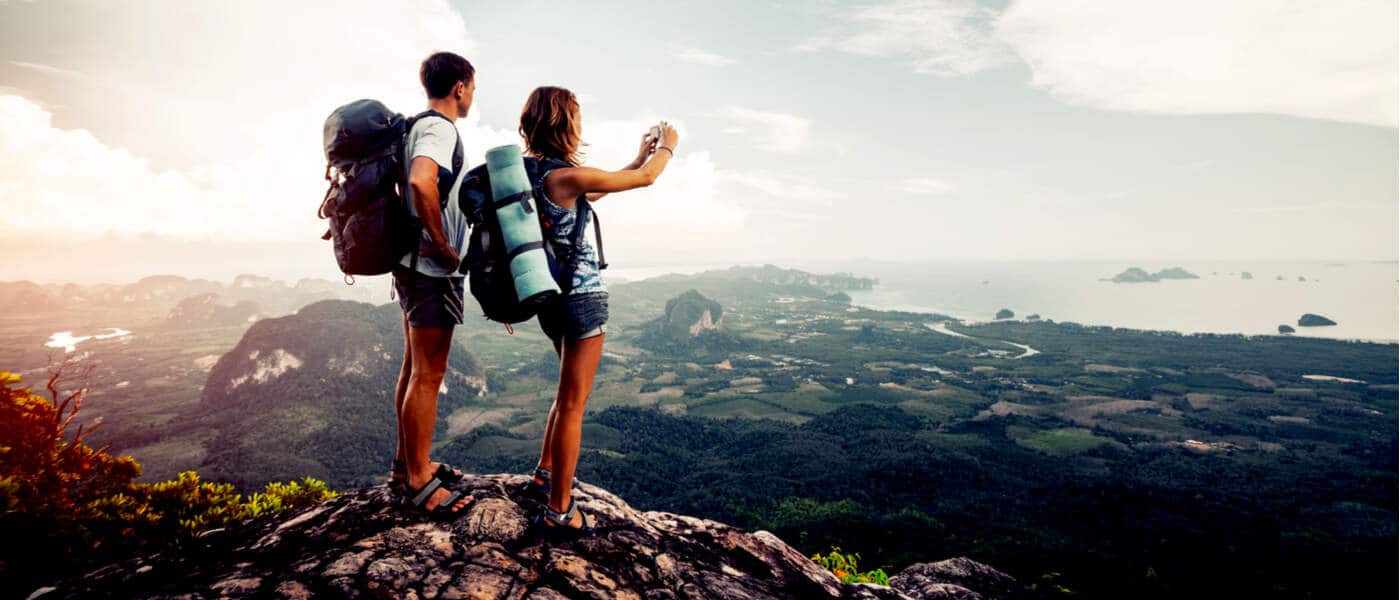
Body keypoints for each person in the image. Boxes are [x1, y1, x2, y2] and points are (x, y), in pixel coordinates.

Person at [515, 86, 680, 535]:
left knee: (565, 394)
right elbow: (647, 180)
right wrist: (666, 146)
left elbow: (596, 194)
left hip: (548, 297)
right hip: (582, 297)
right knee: (574, 403)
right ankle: (559, 510)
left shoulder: (531, 175)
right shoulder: (568, 176)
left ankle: (544, 475)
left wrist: (635, 157)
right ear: (566, 124)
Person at [388, 51, 477, 517]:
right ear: (459, 86)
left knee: (413, 368)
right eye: (472, 87)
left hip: (409, 265)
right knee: (429, 375)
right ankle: (419, 480)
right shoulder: (440, 129)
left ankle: (408, 464)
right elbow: (423, 182)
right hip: (430, 270)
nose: (472, 96)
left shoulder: (415, 126)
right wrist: (442, 245)